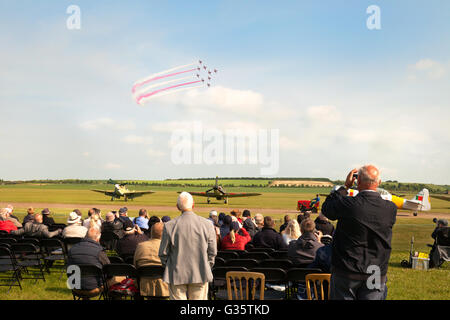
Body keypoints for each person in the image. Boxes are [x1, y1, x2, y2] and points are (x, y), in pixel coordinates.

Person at [322, 165, 397, 300]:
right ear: (379, 183)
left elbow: (327, 209)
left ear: (358, 182)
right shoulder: (390, 208)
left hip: (346, 272)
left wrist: (345, 187)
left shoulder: (348, 204)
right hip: (375, 272)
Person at [159, 192, 217, 300]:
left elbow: (163, 253)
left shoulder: (169, 226)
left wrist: (171, 266)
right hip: (200, 273)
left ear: (177, 207)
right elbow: (212, 252)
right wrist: (206, 266)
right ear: (193, 205)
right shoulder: (207, 224)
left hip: (176, 274)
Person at [67, 227, 111, 298]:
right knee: (117, 278)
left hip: (75, 287)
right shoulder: (99, 251)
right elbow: (109, 270)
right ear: (98, 237)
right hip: (94, 288)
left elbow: (68, 270)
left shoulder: (72, 249)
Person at [134, 222, 169, 298]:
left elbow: (135, 265)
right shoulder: (168, 248)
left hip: (145, 285)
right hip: (164, 286)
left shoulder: (141, 246)